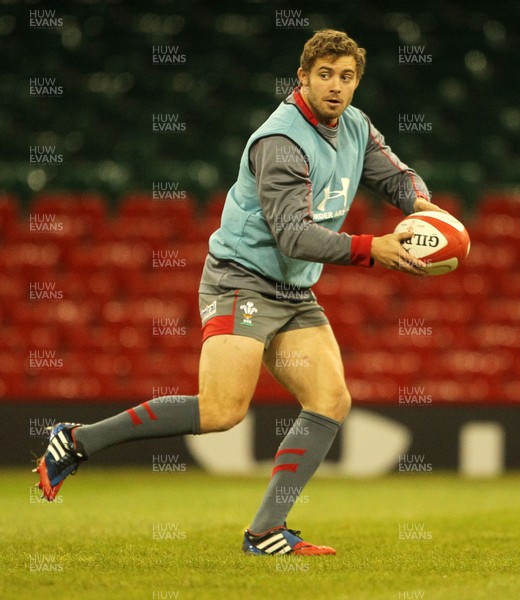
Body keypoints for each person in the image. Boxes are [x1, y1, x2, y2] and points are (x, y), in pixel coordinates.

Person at [34, 29, 443, 556]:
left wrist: (423, 205)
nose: (335, 87)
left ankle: (265, 531)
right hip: (242, 280)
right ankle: (78, 439)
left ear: (357, 81)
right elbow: (293, 234)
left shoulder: (356, 126)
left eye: (346, 77)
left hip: (294, 289)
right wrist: (372, 249)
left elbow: (395, 176)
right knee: (222, 410)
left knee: (330, 400)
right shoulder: (282, 141)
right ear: (302, 77)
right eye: (325, 75)